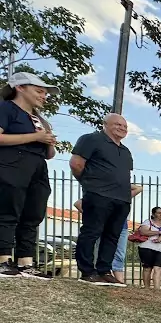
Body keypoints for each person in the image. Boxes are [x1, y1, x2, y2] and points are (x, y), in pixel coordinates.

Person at [0, 72, 58, 279]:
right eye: (39, 91)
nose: (44, 96)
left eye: (45, 93)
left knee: (33, 213)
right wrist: (35, 136)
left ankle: (26, 263)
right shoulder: (6, 108)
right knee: (8, 210)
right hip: (11, 162)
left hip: (37, 165)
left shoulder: (39, 119)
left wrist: (48, 142)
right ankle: (3, 260)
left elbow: (49, 154)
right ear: (20, 88)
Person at [71, 113, 134, 286]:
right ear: (105, 124)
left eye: (124, 126)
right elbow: (76, 164)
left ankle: (104, 270)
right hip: (98, 195)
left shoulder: (125, 151)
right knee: (91, 232)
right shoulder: (91, 139)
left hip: (121, 199)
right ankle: (87, 271)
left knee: (112, 236)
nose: (122, 128)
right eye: (117, 124)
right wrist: (90, 183)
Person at [74, 183, 143, 284]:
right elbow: (77, 203)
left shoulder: (123, 195)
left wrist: (120, 184)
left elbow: (139, 188)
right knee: (99, 249)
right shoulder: (101, 193)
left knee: (119, 253)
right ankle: (95, 273)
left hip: (121, 226)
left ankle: (118, 279)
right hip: (101, 224)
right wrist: (93, 215)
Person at [136, 207, 161, 290]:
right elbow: (144, 231)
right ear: (153, 214)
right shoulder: (148, 222)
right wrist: (159, 232)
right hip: (147, 248)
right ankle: (147, 288)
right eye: (159, 213)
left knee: (158, 268)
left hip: (160, 250)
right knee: (147, 268)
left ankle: (157, 290)